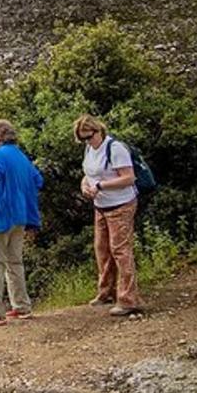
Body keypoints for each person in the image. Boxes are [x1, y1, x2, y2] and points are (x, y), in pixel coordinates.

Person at [0, 120, 42, 326]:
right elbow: (38, 180)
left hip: (1, 216)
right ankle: (21, 307)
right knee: (15, 262)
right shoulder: (22, 157)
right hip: (20, 216)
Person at [75, 114, 143, 316]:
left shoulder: (115, 148)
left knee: (120, 250)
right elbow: (89, 173)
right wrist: (85, 185)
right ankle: (106, 291)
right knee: (102, 248)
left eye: (89, 137)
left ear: (98, 131)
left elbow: (129, 178)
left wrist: (101, 185)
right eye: (83, 139)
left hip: (120, 204)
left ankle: (129, 298)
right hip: (101, 205)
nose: (87, 142)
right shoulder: (90, 149)